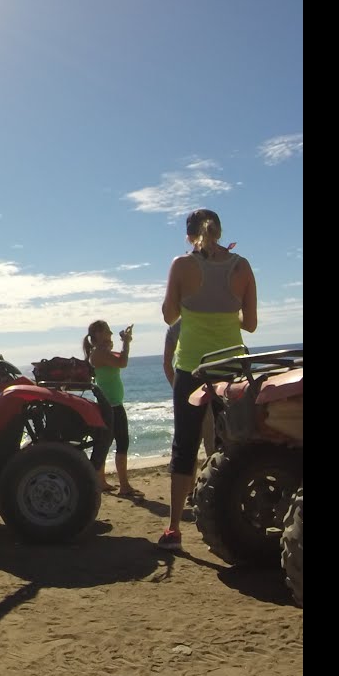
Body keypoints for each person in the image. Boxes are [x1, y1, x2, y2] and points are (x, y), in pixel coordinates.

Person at [158, 208, 257, 551]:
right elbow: (251, 323)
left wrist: (192, 303)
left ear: (190, 235)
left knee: (184, 446)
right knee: (235, 443)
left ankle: (173, 530)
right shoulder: (241, 266)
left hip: (193, 367)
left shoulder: (182, 265)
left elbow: (170, 315)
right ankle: (239, 517)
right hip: (232, 366)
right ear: (220, 230)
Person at [83, 320, 141, 498]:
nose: (110, 334)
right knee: (121, 443)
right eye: (107, 331)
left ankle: (102, 481)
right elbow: (122, 362)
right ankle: (124, 485)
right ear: (98, 335)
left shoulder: (100, 352)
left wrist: (122, 343)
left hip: (111, 403)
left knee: (106, 442)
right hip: (112, 405)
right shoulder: (99, 353)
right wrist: (126, 343)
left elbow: (117, 358)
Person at [164, 318, 215, 460]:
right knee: (203, 442)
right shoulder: (177, 326)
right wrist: (178, 390)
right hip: (202, 387)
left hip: (205, 387)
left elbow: (167, 364)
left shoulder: (177, 326)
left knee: (196, 444)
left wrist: (178, 390)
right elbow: (167, 364)